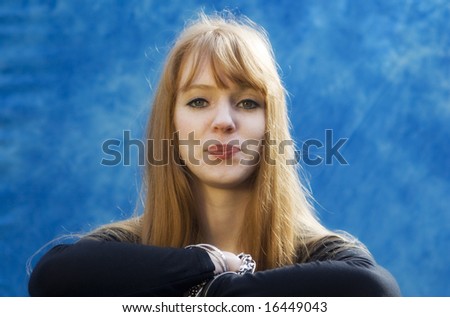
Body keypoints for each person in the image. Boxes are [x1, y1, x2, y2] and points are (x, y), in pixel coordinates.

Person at [28, 11, 400, 297]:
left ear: (272, 126)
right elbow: (51, 279)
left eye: (248, 102)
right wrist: (210, 260)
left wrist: (213, 289)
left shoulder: (324, 252)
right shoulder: (122, 247)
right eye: (199, 100)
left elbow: (375, 290)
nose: (223, 122)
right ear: (169, 124)